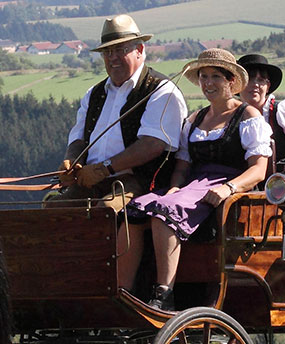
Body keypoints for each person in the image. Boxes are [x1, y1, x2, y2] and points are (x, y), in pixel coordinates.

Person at [116, 48, 272, 309]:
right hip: (193, 186)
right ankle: (125, 293)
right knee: (135, 209)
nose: (208, 84)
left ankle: (164, 294)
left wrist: (228, 188)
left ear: (231, 81)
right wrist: (175, 186)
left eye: (215, 77)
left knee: (165, 211)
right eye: (203, 77)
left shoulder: (247, 116)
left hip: (228, 186)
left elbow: (258, 170)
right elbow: (182, 167)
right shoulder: (195, 119)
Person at [51, 14, 187, 209]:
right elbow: (79, 139)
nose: (112, 57)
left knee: (106, 212)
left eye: (120, 50)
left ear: (139, 50)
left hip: (140, 182)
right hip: (92, 180)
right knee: (53, 211)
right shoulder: (94, 94)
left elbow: (152, 144)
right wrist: (71, 160)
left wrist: (103, 169)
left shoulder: (162, 90)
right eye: (107, 52)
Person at [236, 54, 285, 163]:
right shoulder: (229, 117)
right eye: (250, 79)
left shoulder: (284, 111)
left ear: (268, 86)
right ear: (238, 84)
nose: (255, 84)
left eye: (261, 80)